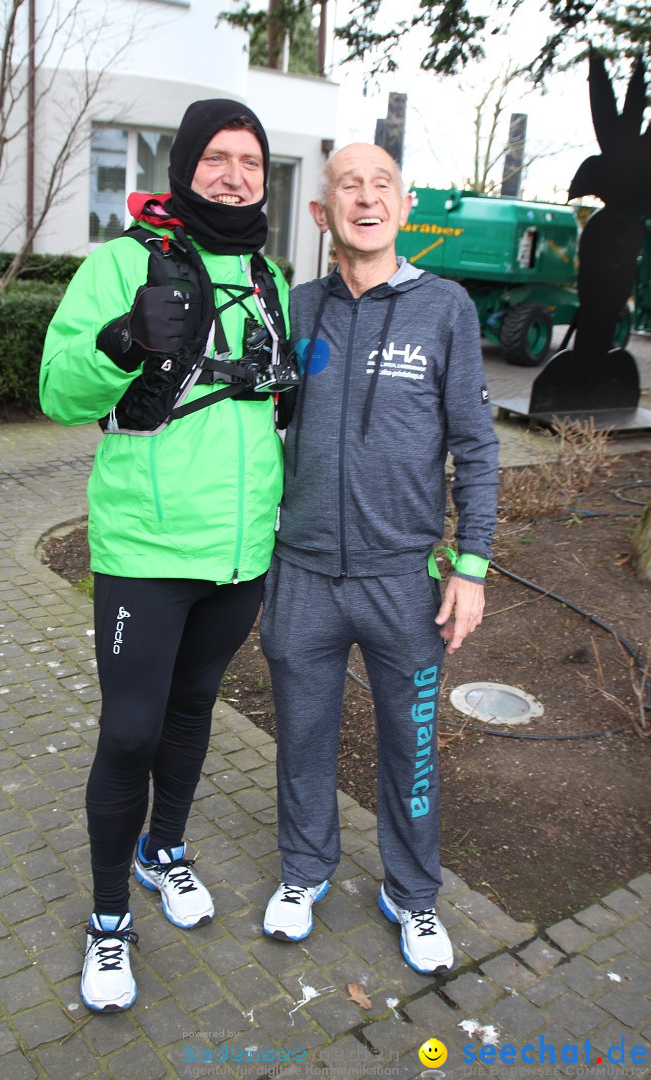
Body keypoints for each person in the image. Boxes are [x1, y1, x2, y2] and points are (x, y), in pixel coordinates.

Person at [39, 99, 293, 1012]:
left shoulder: (267, 273)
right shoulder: (116, 263)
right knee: (130, 732)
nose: (234, 175)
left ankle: (164, 852)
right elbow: (59, 391)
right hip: (146, 550)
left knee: (193, 715)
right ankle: (109, 922)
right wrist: (120, 340)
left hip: (238, 553)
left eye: (251, 161)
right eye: (218, 158)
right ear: (186, 166)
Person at [260, 143, 499, 974]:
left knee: (412, 743)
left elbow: (475, 445)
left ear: (404, 207)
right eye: (348, 186)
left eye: (383, 184)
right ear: (323, 213)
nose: (367, 196)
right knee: (303, 735)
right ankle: (304, 871)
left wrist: (471, 567)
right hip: (303, 575)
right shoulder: (295, 308)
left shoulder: (447, 309)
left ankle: (413, 893)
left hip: (406, 582)